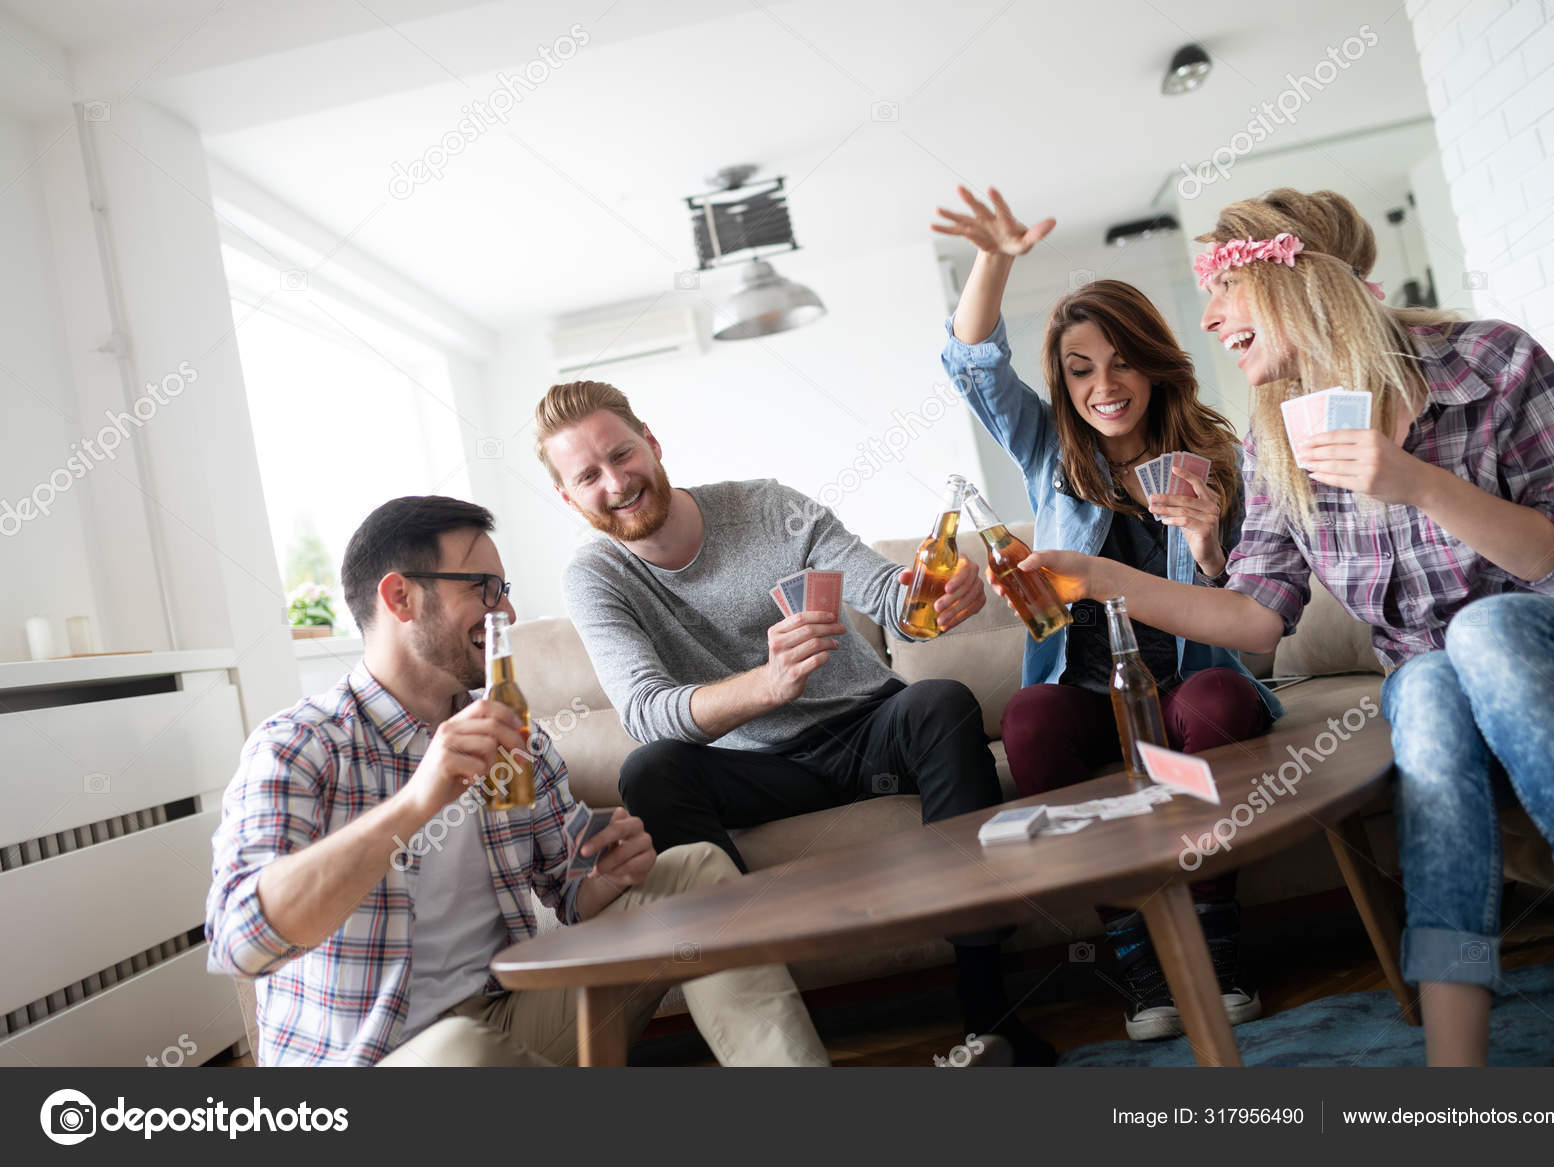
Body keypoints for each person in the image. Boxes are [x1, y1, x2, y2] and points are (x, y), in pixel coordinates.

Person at [998, 187, 1554, 1066]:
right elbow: (1250, 620)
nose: (1207, 319)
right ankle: (1456, 1070)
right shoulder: (1278, 435)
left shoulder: (1492, 361)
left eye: (1223, 291)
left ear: (1295, 284)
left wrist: (1422, 484)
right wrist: (1092, 575)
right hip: (1442, 685)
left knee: (1481, 634)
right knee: (1425, 680)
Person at [206, 495, 828, 1067]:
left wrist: (604, 874)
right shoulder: (300, 746)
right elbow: (241, 942)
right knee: (455, 1050)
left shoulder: (515, 737)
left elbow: (571, 890)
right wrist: (417, 803)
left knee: (692, 869)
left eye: (503, 589)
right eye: (482, 588)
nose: (504, 610)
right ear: (399, 599)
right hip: (369, 1063)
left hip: (504, 1025)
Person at [536, 379, 1053, 1063]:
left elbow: (884, 594)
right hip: (754, 766)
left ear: (652, 444)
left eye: (622, 454)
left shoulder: (766, 507)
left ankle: (989, 1013)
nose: (616, 481)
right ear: (568, 497)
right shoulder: (595, 576)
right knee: (650, 769)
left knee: (942, 702)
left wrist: (930, 600)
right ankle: (767, 1027)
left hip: (866, 729)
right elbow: (643, 710)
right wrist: (767, 685)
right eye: (588, 475)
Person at [933, 186, 1283, 1040]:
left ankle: (1216, 938)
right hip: (1088, 685)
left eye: (1119, 361)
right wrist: (996, 257)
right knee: (1031, 718)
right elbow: (973, 360)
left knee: (1216, 704)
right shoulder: (1051, 451)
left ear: (1153, 360)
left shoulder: (1218, 454)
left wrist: (1206, 546)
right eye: (1081, 369)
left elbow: (1258, 618)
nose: (1104, 386)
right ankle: (1134, 954)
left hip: (1185, 678)